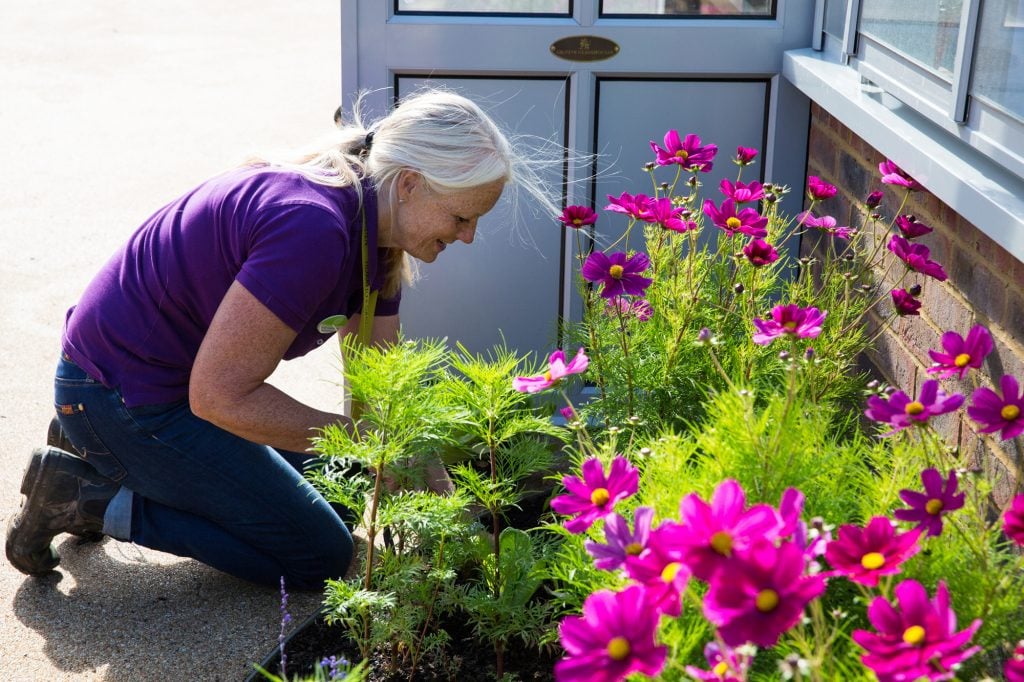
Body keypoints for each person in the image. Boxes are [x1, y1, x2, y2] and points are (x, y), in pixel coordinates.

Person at [5, 89, 559, 590]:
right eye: (462, 216)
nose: (468, 236)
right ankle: (86, 496)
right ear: (409, 183)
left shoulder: (377, 232)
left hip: (162, 390)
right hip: (122, 395)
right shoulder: (312, 229)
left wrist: (451, 516)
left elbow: (382, 393)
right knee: (316, 553)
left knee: (339, 491)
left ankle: (108, 452)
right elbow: (220, 397)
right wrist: (369, 446)